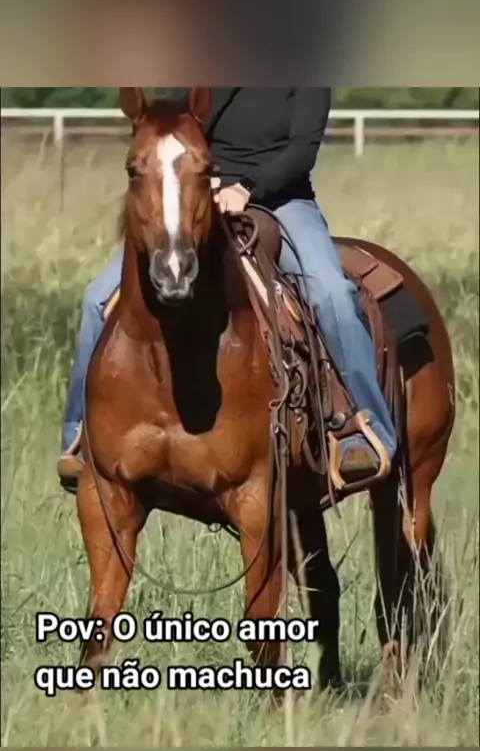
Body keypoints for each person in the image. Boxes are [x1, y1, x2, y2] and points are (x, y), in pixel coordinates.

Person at [58, 87, 397, 487]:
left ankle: (363, 427)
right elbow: (178, 125)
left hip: (284, 204)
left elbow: (302, 151)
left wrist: (247, 188)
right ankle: (80, 435)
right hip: (203, 197)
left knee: (332, 294)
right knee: (96, 299)